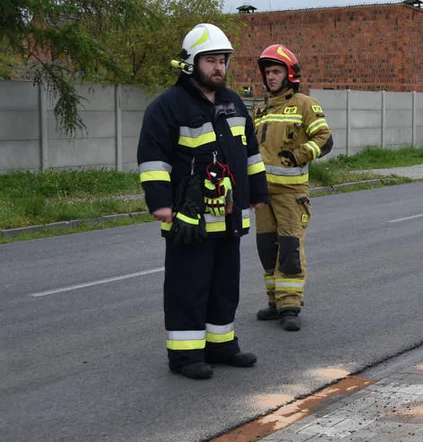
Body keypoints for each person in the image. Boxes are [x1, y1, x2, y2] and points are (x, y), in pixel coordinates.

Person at [137, 23, 269, 379]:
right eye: (211, 60)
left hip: (229, 216)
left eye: (223, 60)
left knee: (225, 286)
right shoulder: (167, 106)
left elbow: (251, 153)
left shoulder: (233, 103)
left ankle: (221, 345)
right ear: (191, 64)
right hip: (189, 219)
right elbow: (153, 160)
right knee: (188, 287)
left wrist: (257, 193)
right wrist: (160, 203)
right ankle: (185, 356)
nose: (219, 68)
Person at [252, 44, 333, 331]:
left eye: (276, 71)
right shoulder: (260, 110)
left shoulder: (304, 104)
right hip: (262, 195)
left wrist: (298, 155)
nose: (271, 77)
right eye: (268, 72)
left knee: (288, 248)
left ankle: (290, 306)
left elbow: (325, 138)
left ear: (290, 74)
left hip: (290, 194)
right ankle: (274, 302)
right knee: (266, 248)